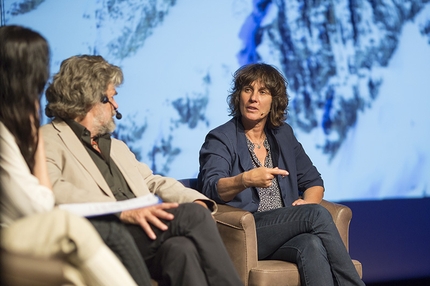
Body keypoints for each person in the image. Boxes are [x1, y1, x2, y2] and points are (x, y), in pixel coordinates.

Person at [41, 54, 243, 286]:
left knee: (180, 249)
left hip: (141, 230)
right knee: (194, 217)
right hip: (103, 231)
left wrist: (196, 199)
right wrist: (119, 210)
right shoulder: (48, 139)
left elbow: (152, 181)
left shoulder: (116, 146)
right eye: (111, 97)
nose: (116, 105)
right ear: (90, 98)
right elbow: (52, 189)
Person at [0, 25, 148, 286]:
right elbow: (41, 205)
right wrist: (36, 137)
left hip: (32, 227)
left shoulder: (117, 146)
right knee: (108, 233)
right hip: (17, 235)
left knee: (184, 233)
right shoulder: (32, 133)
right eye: (38, 69)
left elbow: (151, 179)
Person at [197, 63, 365, 286]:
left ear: (274, 101)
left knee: (311, 244)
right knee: (316, 215)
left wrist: (307, 204)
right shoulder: (221, 138)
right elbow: (211, 187)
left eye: (262, 92)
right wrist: (246, 179)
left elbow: (314, 182)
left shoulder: (283, 134)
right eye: (247, 90)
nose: (253, 98)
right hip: (246, 231)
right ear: (239, 96)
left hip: (282, 229)